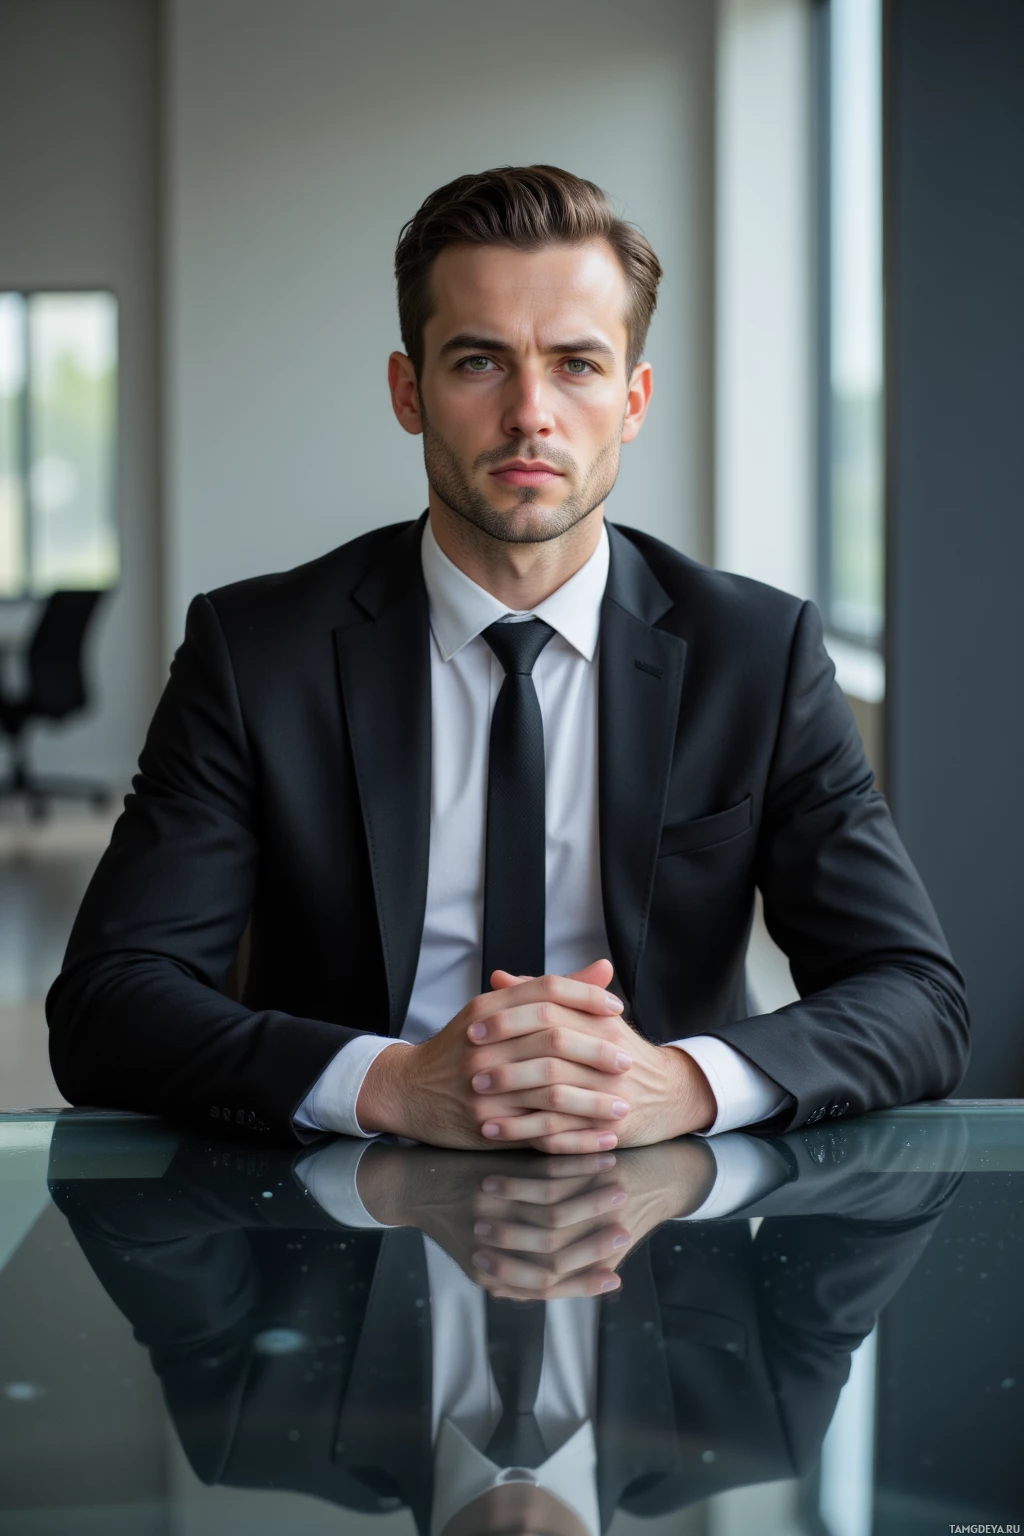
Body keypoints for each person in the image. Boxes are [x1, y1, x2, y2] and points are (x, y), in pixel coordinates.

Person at [46, 165, 968, 1153]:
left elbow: (914, 995)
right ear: (410, 390)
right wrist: (387, 1085)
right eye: (480, 362)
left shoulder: (756, 654)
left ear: (632, 398)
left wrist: (681, 1085)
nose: (530, 412)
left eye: (576, 364)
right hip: (332, 1238)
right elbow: (109, 1002)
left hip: (666, 1233)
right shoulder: (257, 653)